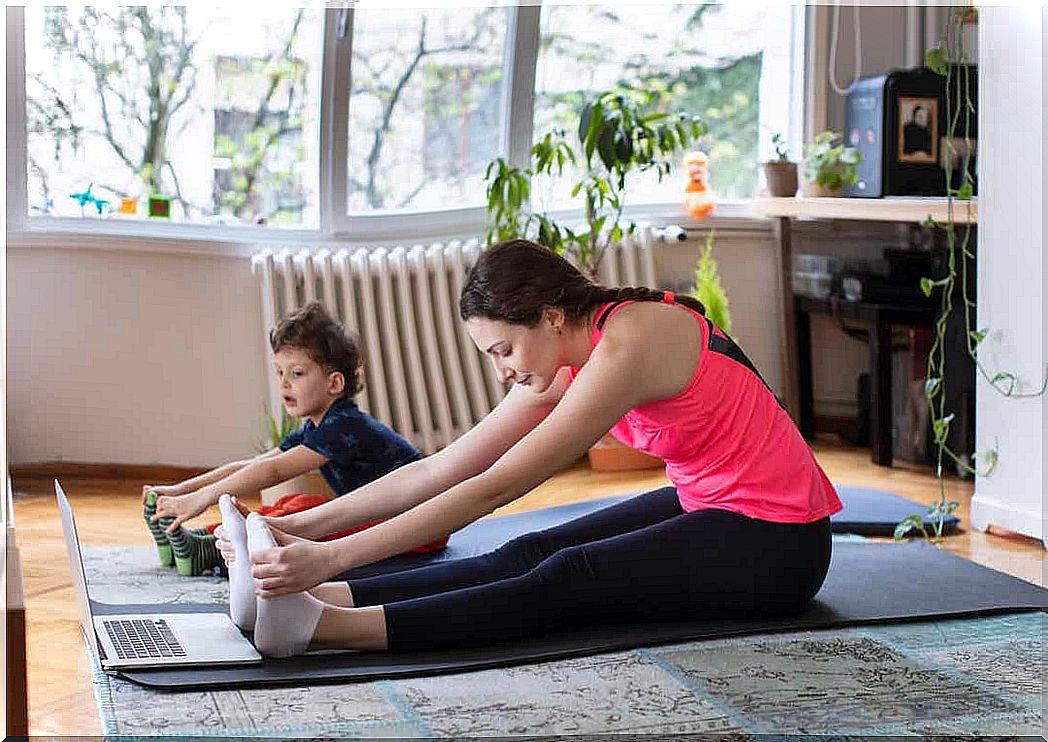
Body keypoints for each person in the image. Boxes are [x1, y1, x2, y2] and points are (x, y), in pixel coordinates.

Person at [217, 239, 842, 658]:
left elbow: (492, 488)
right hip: (710, 504)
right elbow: (441, 468)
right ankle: (324, 600)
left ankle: (328, 627)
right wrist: (301, 531)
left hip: (778, 542)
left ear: (549, 317)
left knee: (568, 575)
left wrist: (331, 554)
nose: (501, 373)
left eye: (503, 352)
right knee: (532, 548)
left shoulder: (627, 345)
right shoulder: (563, 355)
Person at [143, 301, 442, 576]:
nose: (284, 382)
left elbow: (273, 472)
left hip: (418, 526)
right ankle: (201, 539)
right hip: (382, 519)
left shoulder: (344, 426)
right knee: (293, 502)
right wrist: (182, 491)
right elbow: (256, 463)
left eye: (297, 373)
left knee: (307, 511)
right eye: (279, 372)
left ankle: (211, 552)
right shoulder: (319, 426)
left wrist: (201, 499)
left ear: (334, 382)